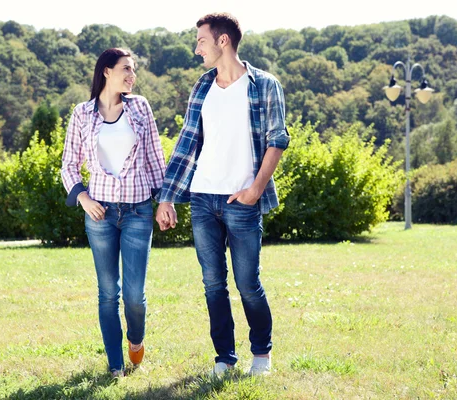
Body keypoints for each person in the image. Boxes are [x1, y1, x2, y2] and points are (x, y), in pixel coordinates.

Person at [156, 13, 290, 376]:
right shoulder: (201, 87)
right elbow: (187, 142)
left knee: (248, 283)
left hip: (241, 200)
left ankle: (261, 354)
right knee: (213, 283)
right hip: (202, 198)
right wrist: (167, 196)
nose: (196, 48)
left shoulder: (263, 84)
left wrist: (255, 190)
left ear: (223, 41)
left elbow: (277, 139)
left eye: (201, 40)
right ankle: (224, 358)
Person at [61, 48, 166, 378]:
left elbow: (155, 159)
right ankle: (115, 365)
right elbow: (68, 166)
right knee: (108, 293)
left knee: (134, 296)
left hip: (138, 211)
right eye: (126, 69)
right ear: (106, 71)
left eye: (133, 70)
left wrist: (166, 201)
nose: (132, 75)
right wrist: (82, 198)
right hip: (100, 216)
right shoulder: (82, 113)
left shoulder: (140, 107)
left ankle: (135, 340)